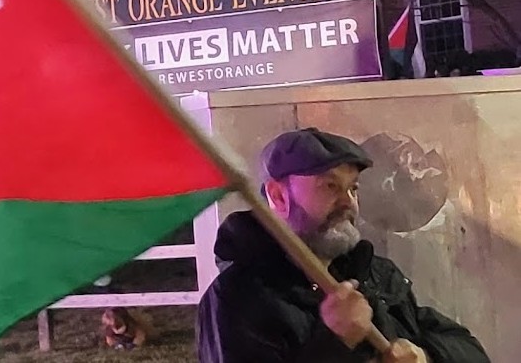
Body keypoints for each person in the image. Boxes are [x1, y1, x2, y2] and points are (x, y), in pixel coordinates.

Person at [196, 128, 490, 362]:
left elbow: (470, 350)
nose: (348, 201)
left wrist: (425, 356)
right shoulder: (237, 297)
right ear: (279, 196)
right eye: (331, 186)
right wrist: (337, 341)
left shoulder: (375, 275)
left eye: (353, 188)